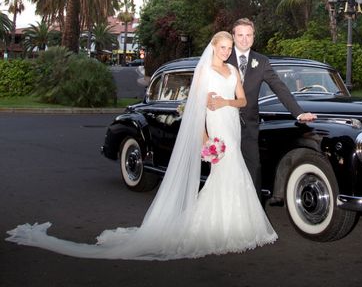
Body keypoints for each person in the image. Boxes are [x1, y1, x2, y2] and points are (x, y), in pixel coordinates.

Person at [5, 32, 277, 260]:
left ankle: (237, 225)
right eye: (222, 47)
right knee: (224, 173)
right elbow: (195, 108)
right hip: (216, 127)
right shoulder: (204, 70)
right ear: (214, 47)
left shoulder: (232, 70)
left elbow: (242, 101)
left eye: (229, 47)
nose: (226, 51)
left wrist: (225, 102)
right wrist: (205, 137)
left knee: (236, 172)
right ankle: (215, 227)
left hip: (230, 121)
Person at [222, 18, 316, 195]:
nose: (244, 39)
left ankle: (253, 211)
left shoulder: (262, 61)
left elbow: (279, 87)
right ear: (233, 36)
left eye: (248, 35)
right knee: (225, 168)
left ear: (253, 37)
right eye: (240, 35)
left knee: (254, 168)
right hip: (224, 123)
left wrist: (299, 113)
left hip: (249, 125)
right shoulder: (223, 56)